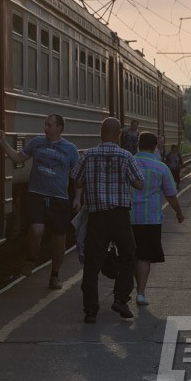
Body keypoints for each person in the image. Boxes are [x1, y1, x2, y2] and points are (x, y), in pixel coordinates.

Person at [0, 114, 80, 290]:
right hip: (37, 194)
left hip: (59, 198)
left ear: (59, 128)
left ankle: (55, 275)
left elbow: (78, 176)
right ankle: (31, 258)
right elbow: (18, 157)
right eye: (45, 124)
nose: (45, 128)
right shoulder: (37, 143)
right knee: (36, 229)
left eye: (49, 125)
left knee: (58, 239)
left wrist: (78, 197)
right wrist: (3, 142)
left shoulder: (70, 149)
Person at [73, 117, 145, 323]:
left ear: (100, 132)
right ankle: (120, 299)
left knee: (92, 263)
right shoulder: (125, 156)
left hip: (97, 217)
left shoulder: (88, 155)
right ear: (119, 134)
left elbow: (77, 180)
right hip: (119, 215)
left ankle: (90, 310)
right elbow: (139, 183)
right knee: (128, 255)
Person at [131, 132, 185, 306]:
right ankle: (140, 293)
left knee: (132, 254)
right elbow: (170, 195)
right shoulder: (160, 167)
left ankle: (133, 288)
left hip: (128, 217)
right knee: (144, 256)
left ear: (138, 144)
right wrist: (179, 212)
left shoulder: (128, 162)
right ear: (155, 146)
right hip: (150, 219)